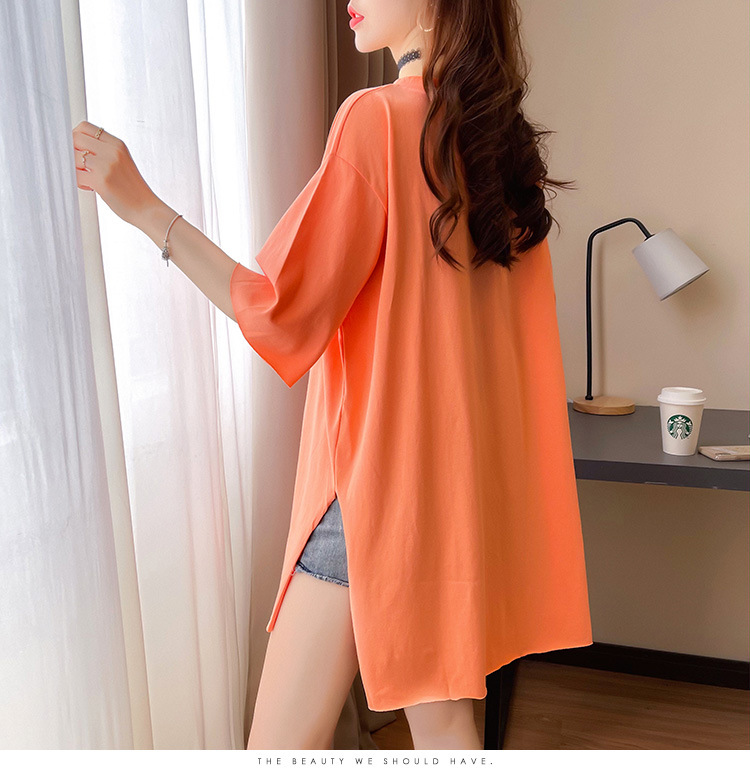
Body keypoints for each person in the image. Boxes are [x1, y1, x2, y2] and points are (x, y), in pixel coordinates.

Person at [72, 0, 593, 752]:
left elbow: (277, 308)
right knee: (445, 728)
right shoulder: (496, 145)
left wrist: (145, 208)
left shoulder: (376, 120)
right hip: (457, 495)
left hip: (377, 495)